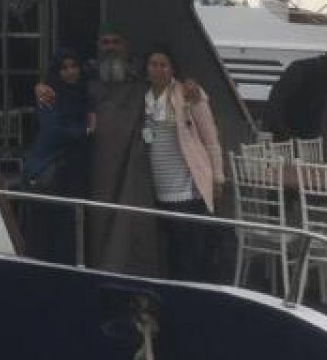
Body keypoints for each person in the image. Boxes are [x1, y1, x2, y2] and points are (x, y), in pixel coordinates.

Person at [83, 29, 164, 277]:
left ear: (126, 46)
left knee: (133, 219)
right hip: (99, 164)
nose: (110, 47)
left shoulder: (142, 79)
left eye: (116, 42)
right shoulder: (85, 80)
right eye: (105, 42)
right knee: (97, 217)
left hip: (131, 163)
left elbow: (167, 84)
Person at [141, 45, 225, 282]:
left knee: (187, 252)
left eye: (163, 64)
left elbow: (211, 138)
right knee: (168, 250)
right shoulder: (143, 97)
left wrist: (218, 177)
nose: (158, 69)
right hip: (157, 188)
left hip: (186, 188)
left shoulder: (188, 94)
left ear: (172, 68)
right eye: (153, 64)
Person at [20, 50, 92, 261]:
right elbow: (53, 132)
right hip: (51, 173)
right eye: (64, 68)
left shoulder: (82, 94)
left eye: (74, 66)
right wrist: (84, 131)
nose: (70, 72)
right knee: (43, 234)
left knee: (68, 232)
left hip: (72, 173)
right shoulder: (50, 94)